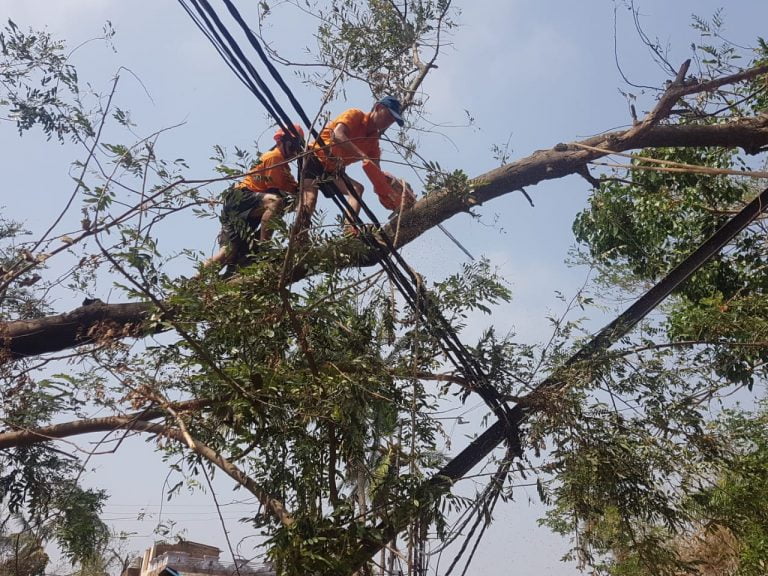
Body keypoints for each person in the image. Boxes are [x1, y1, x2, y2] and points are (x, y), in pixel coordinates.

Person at [297, 95, 405, 236]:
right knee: (309, 198)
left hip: (332, 170)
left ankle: (349, 230)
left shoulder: (373, 142)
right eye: (389, 116)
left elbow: (376, 170)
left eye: (393, 121)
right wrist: (363, 156)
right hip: (314, 157)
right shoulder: (355, 115)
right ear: (379, 108)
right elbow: (338, 135)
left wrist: (389, 189)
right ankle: (299, 234)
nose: (389, 122)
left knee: (357, 189)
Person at [205, 124, 304, 269]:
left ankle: (195, 282)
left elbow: (296, 194)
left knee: (228, 253)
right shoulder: (275, 158)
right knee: (275, 202)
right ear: (283, 141)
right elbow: (276, 194)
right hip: (241, 197)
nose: (295, 151)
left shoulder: (285, 171)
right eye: (294, 146)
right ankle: (264, 250)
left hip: (247, 213)